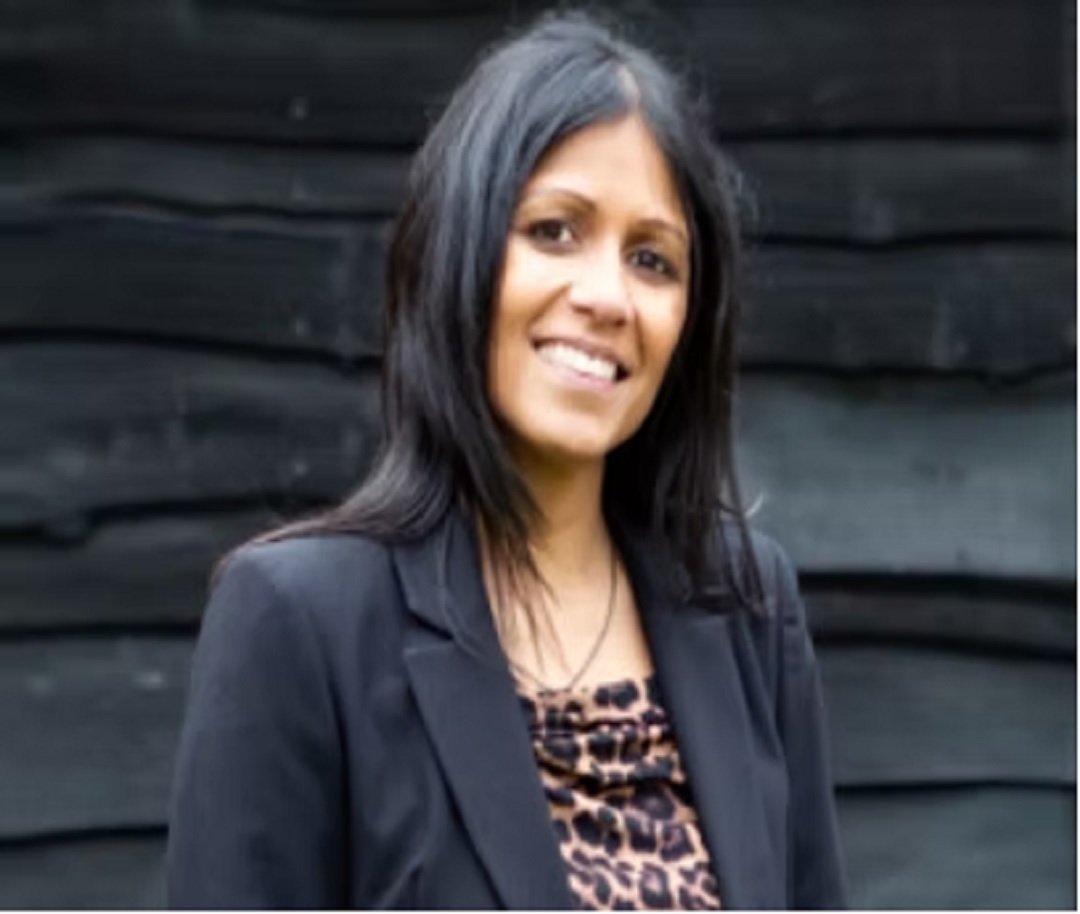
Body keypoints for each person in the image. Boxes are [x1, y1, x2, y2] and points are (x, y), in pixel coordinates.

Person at [166, 10, 846, 910]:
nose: (607, 297)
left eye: (652, 259)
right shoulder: (300, 620)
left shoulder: (746, 606)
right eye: (555, 231)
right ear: (458, 252)